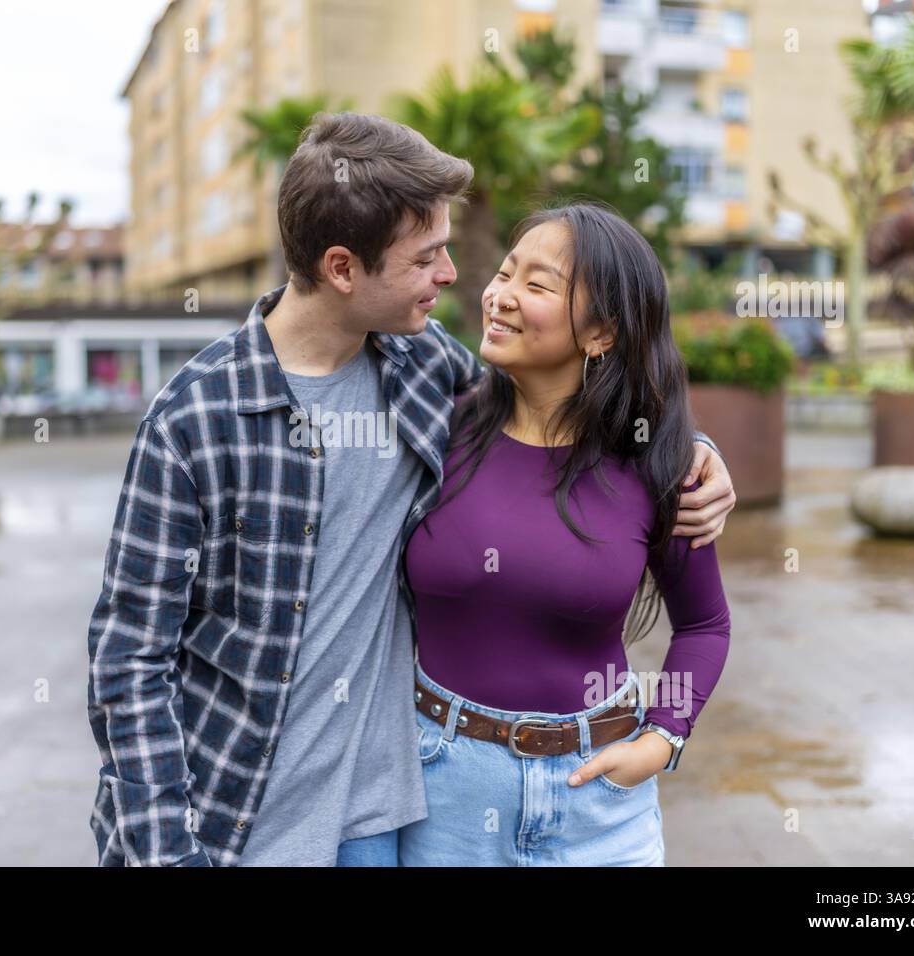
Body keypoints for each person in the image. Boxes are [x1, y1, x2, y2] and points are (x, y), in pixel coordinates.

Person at [85, 113, 736, 867]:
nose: (461, 278)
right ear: (342, 269)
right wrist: (164, 854)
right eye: (428, 256)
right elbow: (129, 659)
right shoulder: (196, 418)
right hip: (243, 818)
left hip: (389, 817)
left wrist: (697, 454)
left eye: (528, 277)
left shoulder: (426, 374)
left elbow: (590, 422)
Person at [396, 201, 731, 866]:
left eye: (537, 285)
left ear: (602, 331)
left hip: (600, 801)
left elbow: (704, 627)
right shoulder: (434, 428)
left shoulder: (661, 464)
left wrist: (662, 740)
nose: (501, 297)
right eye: (504, 274)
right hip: (446, 794)